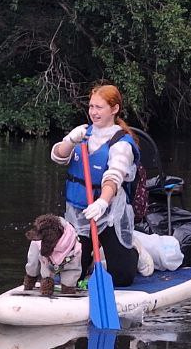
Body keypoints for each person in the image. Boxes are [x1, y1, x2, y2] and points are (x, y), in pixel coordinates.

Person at [51, 82, 141, 287]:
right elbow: (58, 157)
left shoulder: (122, 143)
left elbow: (113, 177)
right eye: (91, 107)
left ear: (114, 109)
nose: (93, 112)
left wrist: (101, 202)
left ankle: (137, 250)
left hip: (109, 215)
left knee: (123, 278)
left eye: (99, 107)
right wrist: (70, 141)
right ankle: (89, 256)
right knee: (73, 275)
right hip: (79, 215)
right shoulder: (82, 133)